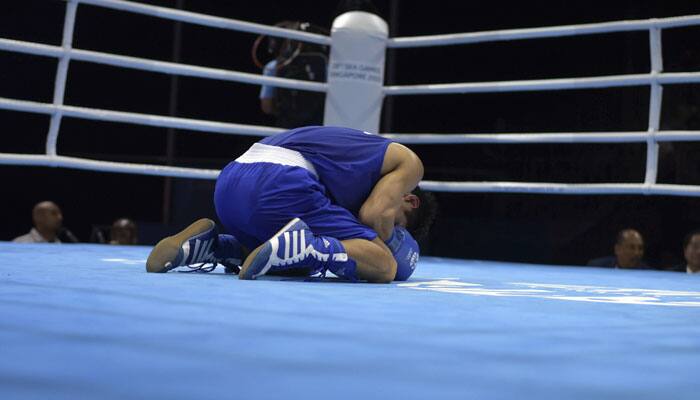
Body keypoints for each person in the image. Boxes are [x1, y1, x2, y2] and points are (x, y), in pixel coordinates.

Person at [146, 126, 438, 283]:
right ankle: (306, 244)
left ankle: (214, 246)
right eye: (398, 223)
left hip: (230, 182)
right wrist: (391, 247)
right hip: (280, 180)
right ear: (409, 199)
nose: (391, 230)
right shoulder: (410, 165)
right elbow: (374, 216)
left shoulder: (354, 164)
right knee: (383, 265)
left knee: (293, 262)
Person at [256, 21, 328, 128]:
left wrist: (287, 113)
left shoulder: (274, 66)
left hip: (287, 127)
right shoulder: (323, 63)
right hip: (317, 127)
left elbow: (266, 107)